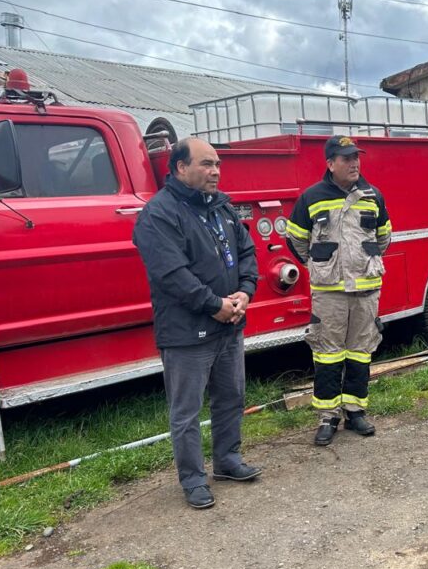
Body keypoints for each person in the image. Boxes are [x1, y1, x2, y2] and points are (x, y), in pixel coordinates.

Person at [133, 137, 261, 510]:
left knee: (232, 396)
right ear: (180, 168)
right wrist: (213, 305)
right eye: (206, 164)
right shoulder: (158, 214)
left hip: (229, 323)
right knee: (187, 412)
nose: (215, 171)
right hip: (187, 334)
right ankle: (193, 480)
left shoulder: (221, 207)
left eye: (218, 164)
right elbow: (171, 274)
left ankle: (227, 460)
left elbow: (247, 251)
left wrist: (245, 292)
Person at [287, 135, 391, 446]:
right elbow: (296, 240)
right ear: (330, 163)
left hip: (366, 290)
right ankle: (328, 417)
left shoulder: (373, 195)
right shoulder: (312, 197)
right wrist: (322, 265)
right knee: (327, 354)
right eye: (346, 158)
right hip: (329, 292)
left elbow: (384, 238)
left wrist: (361, 264)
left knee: (361, 352)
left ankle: (355, 411)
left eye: (356, 157)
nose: (354, 163)